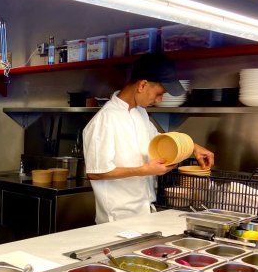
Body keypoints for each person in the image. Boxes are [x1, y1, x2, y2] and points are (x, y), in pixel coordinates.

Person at [82, 53, 214, 224]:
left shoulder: (140, 112)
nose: (159, 100)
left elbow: (158, 141)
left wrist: (193, 147)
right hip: (117, 221)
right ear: (142, 85)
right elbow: (96, 173)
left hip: (145, 213)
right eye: (159, 93)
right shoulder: (105, 120)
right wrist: (144, 170)